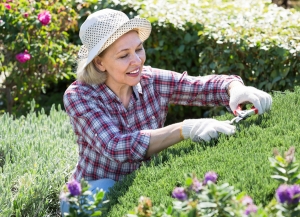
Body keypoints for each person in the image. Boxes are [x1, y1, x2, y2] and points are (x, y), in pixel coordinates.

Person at [60, 8, 272, 215]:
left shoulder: (151, 80)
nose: (137, 60)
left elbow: (200, 86)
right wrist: (185, 129)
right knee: (107, 189)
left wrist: (235, 89)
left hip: (140, 186)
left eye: (139, 49)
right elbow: (116, 147)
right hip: (92, 193)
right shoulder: (80, 95)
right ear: (99, 62)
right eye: (124, 55)